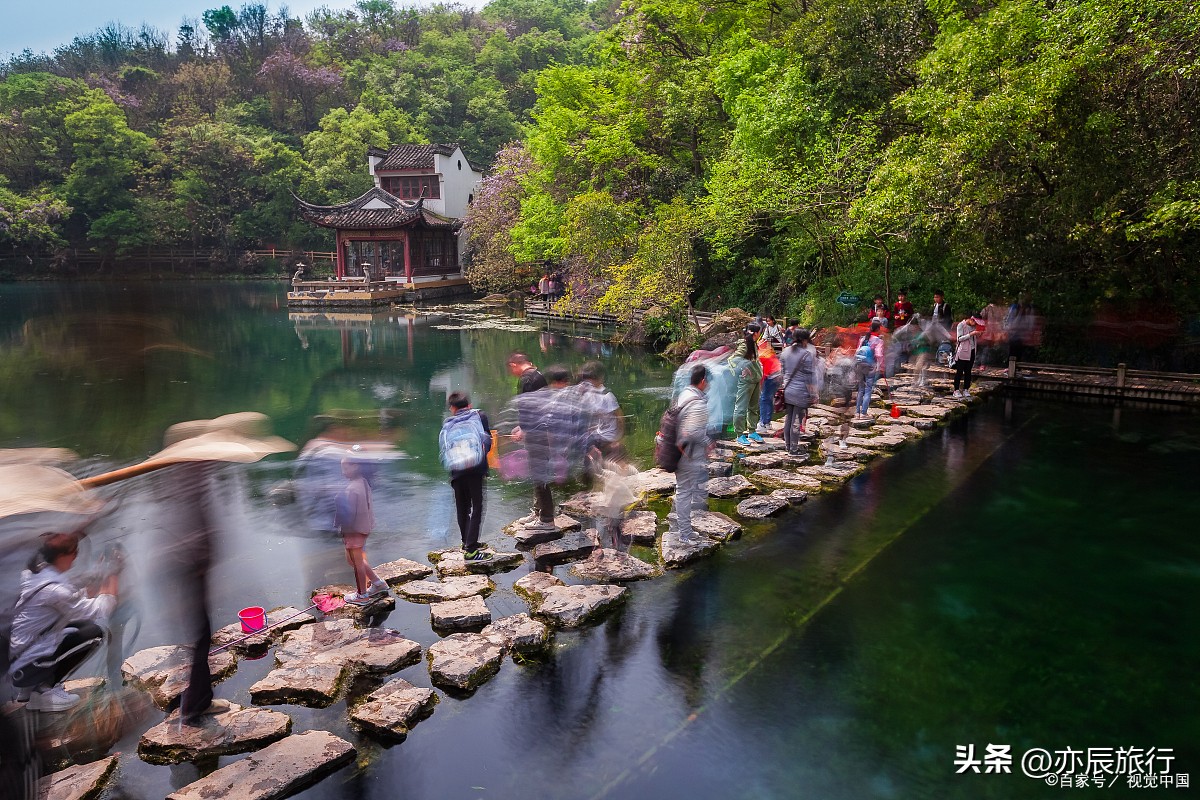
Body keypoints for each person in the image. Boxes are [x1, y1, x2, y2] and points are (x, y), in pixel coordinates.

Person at [7, 533, 117, 712]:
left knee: (77, 627)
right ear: (61, 556)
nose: (76, 556)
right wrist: (113, 575)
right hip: (27, 664)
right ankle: (45, 691)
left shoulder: (36, 574)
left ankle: (30, 689)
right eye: (74, 552)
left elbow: (71, 603)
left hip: (19, 659)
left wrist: (99, 575)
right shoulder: (54, 589)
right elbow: (100, 609)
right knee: (93, 635)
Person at [441, 392, 492, 561]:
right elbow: (487, 441)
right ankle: (471, 549)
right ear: (469, 405)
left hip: (456, 470)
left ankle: (466, 542)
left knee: (462, 507)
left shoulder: (447, 423)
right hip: (476, 469)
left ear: (452, 408)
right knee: (477, 506)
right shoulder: (479, 416)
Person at [336, 457, 388, 605]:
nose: (343, 472)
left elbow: (349, 515)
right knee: (352, 560)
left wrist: (343, 530)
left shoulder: (352, 488)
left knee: (356, 563)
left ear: (356, 467)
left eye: (345, 469)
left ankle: (362, 595)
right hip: (363, 528)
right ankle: (378, 583)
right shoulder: (363, 482)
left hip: (354, 531)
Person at [671, 365, 711, 543]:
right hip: (688, 454)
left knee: (684, 492)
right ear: (702, 381)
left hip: (679, 451)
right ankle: (685, 534)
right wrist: (708, 443)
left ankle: (683, 530)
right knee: (685, 493)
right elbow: (694, 432)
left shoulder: (684, 395)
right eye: (707, 380)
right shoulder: (698, 403)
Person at [577, 361, 624, 464]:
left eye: (590, 379)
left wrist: (618, 438)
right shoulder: (588, 394)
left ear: (600, 378)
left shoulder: (607, 396)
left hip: (609, 437)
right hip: (599, 434)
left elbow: (620, 417)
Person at [779, 329, 817, 454]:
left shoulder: (785, 352)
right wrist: (814, 394)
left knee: (788, 418)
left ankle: (787, 446)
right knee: (796, 420)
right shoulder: (807, 355)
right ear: (805, 340)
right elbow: (810, 378)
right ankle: (793, 449)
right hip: (801, 392)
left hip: (788, 390)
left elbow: (783, 372)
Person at [728, 325, 763, 444]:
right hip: (746, 382)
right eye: (759, 332)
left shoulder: (753, 344)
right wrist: (744, 368)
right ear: (756, 333)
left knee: (753, 407)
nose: (760, 334)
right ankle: (739, 434)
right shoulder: (745, 345)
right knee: (741, 408)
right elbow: (733, 359)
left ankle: (752, 431)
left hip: (755, 380)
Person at [825, 335, 857, 449]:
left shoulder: (833, 355)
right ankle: (842, 440)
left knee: (837, 415)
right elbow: (853, 374)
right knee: (845, 417)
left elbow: (828, 369)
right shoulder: (847, 356)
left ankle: (834, 437)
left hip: (835, 389)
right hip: (845, 389)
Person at [855, 321, 885, 419]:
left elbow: (857, 351)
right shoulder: (878, 340)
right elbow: (879, 354)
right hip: (870, 366)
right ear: (878, 329)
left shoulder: (863, 339)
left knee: (860, 389)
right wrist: (880, 366)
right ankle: (864, 413)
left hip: (859, 365)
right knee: (868, 390)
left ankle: (857, 413)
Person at [755, 334, 782, 437]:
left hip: (771, 375)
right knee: (769, 398)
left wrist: (761, 385)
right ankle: (768, 422)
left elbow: (763, 372)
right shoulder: (765, 346)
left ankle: (763, 423)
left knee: (764, 398)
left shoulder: (760, 352)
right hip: (778, 373)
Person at [952, 316, 981, 398]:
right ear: (971, 319)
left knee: (968, 371)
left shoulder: (974, 327)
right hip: (963, 351)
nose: (975, 324)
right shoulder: (961, 325)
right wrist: (971, 334)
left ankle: (966, 389)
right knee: (959, 371)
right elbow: (959, 339)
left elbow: (974, 338)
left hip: (972, 350)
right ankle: (956, 390)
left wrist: (978, 334)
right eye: (975, 322)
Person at [978, 297, 1008, 367]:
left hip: (989, 332)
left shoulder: (987, 308)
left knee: (987, 348)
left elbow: (981, 317)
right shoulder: (1000, 309)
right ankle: (1000, 364)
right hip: (998, 332)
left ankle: (983, 364)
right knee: (999, 349)